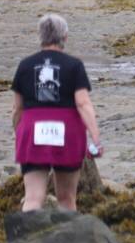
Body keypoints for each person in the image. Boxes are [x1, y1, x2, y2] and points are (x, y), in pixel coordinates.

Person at [11, 14, 102, 212]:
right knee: (67, 199)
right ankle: (67, 240)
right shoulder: (74, 66)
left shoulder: (25, 65)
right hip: (67, 130)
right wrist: (95, 137)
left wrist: (18, 133)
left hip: (32, 130)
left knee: (33, 198)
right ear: (65, 37)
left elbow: (17, 108)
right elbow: (82, 102)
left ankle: (28, 239)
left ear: (40, 36)